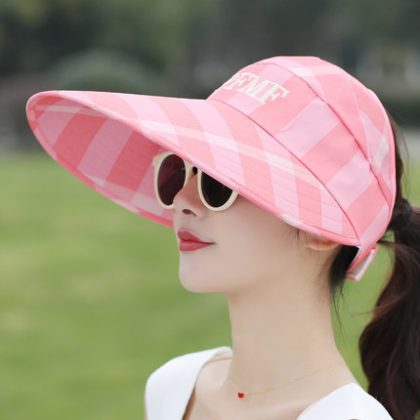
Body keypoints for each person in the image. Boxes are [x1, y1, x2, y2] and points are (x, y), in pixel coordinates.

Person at [25, 56, 419, 420]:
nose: (182, 200)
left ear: (322, 230)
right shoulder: (174, 387)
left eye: (219, 183)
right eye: (178, 171)